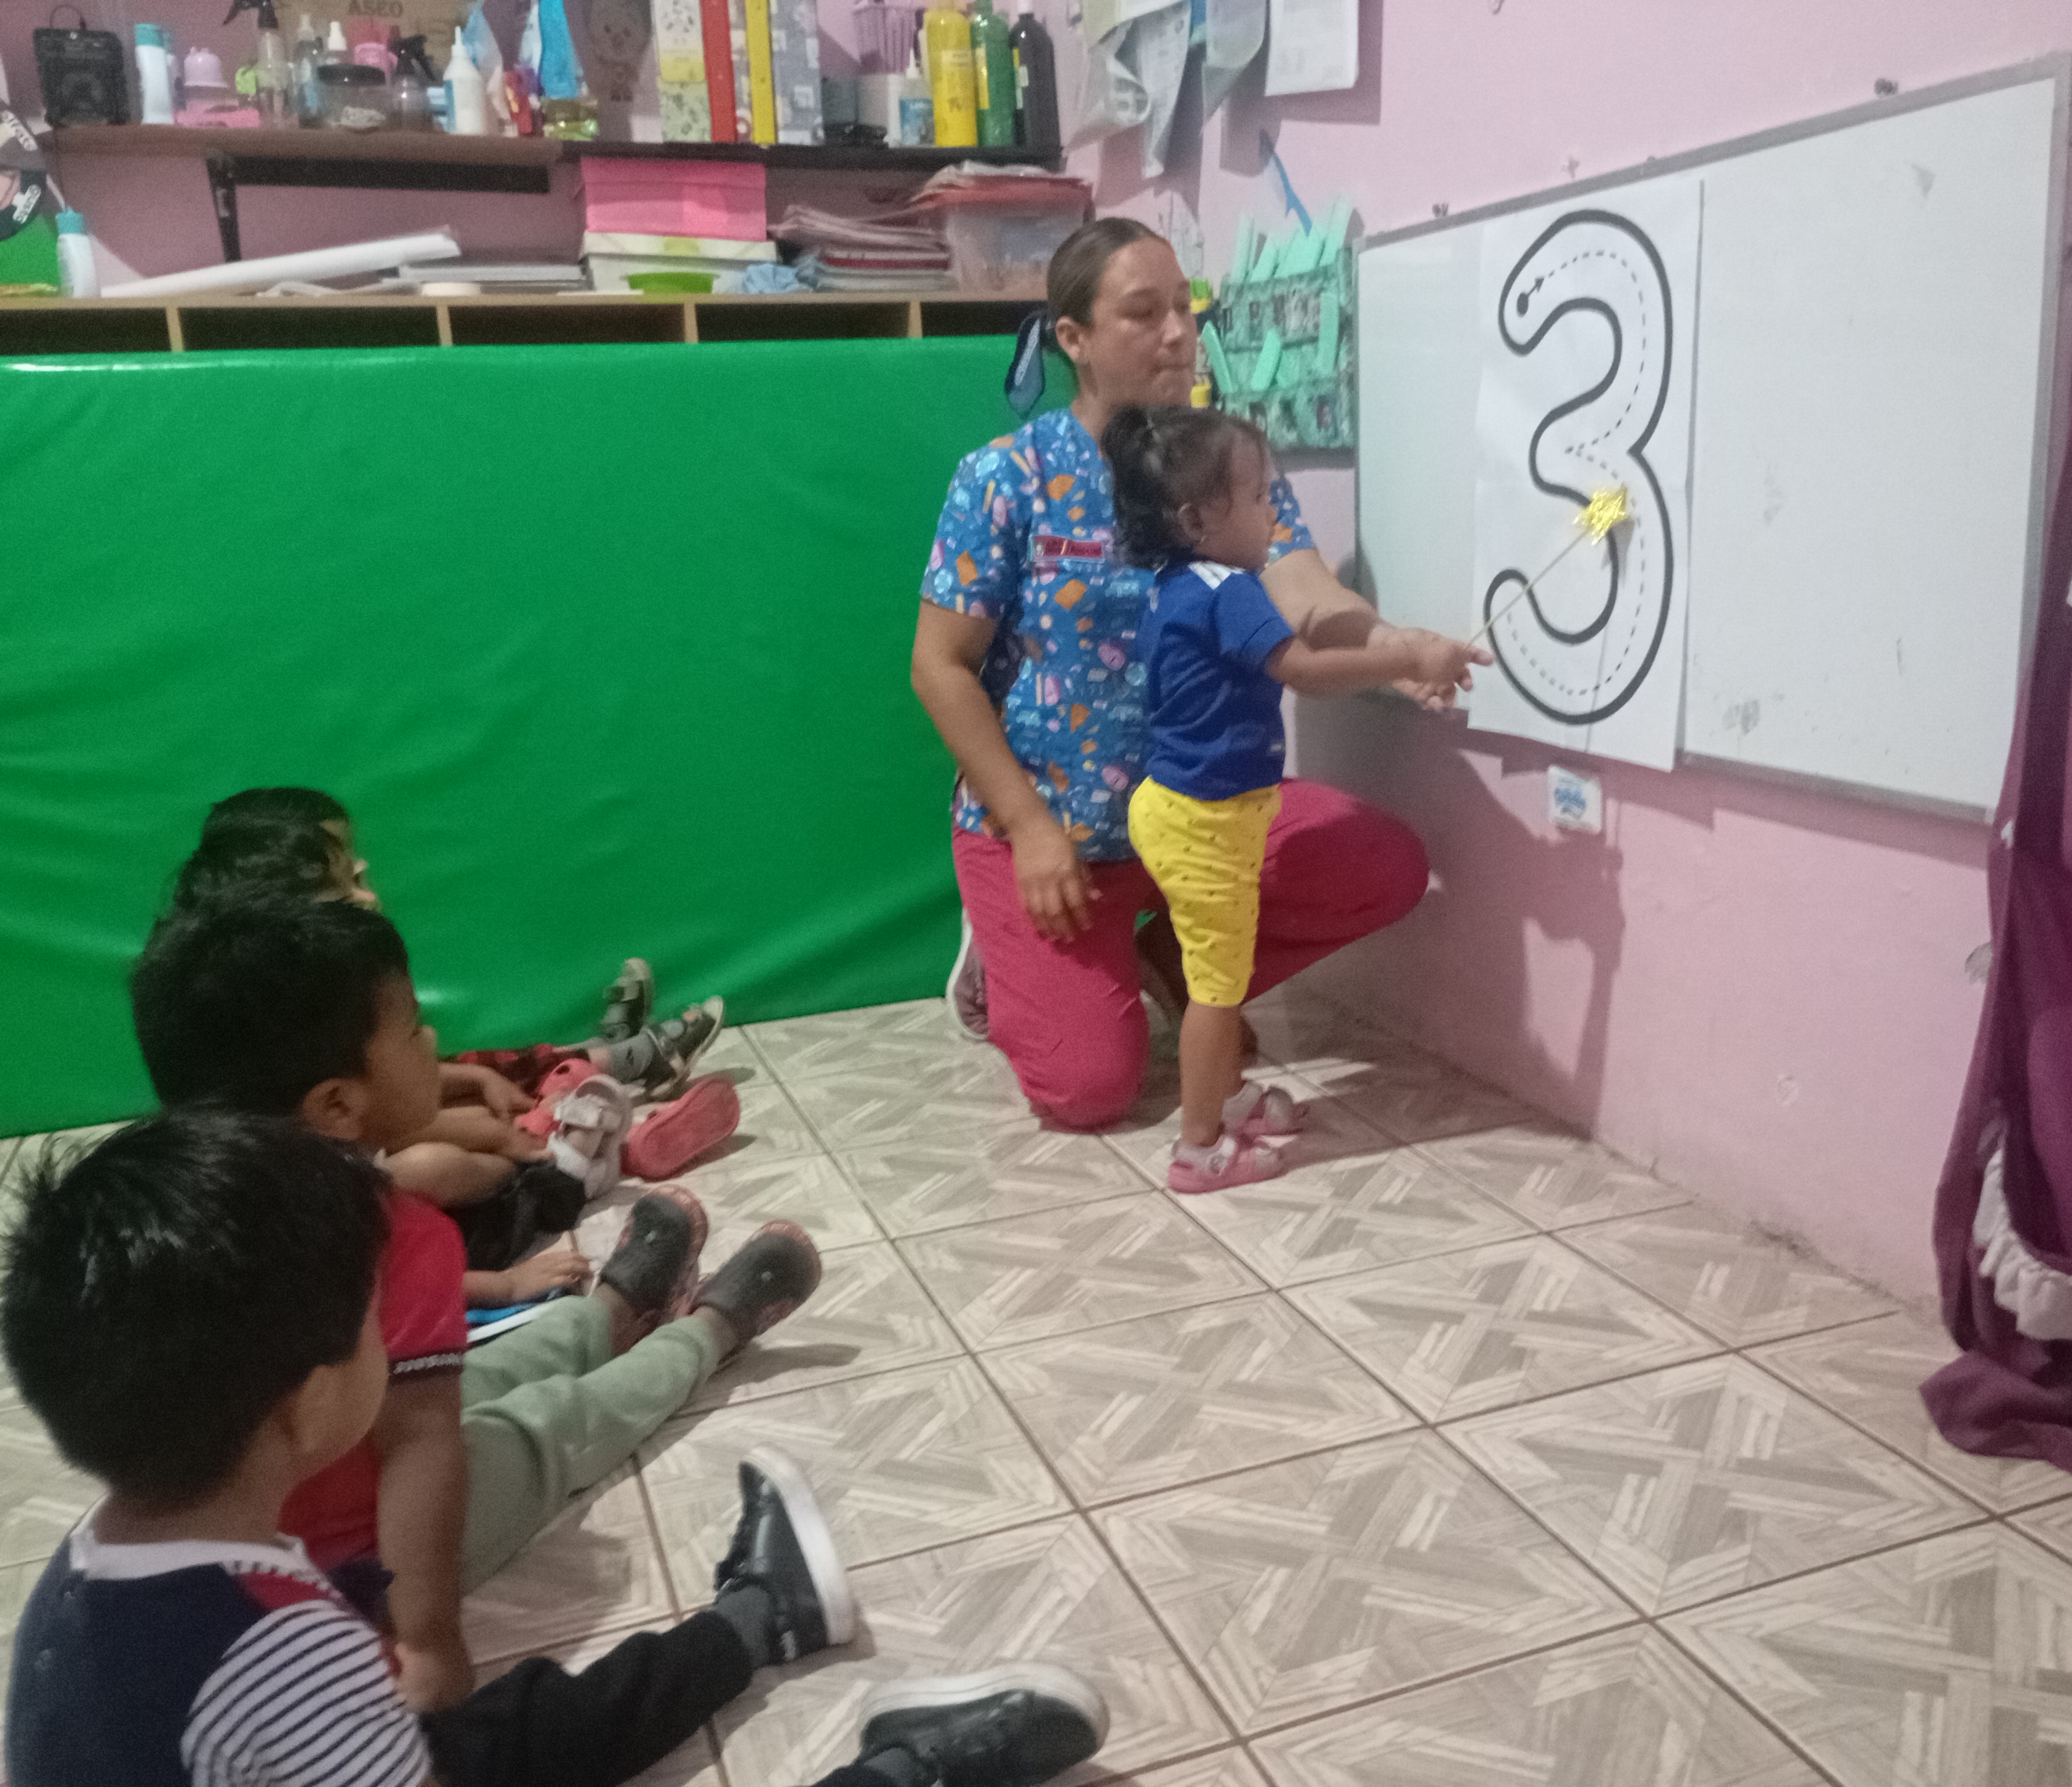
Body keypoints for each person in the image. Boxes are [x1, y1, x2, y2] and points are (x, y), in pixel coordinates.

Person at [0, 1108, 1111, 1787]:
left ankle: (758, 1618)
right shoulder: (285, 1645)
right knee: (487, 1743)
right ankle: (905, 1772)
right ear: (311, 1400)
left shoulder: (88, 1575)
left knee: (503, 1732)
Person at [129, 895, 823, 1712]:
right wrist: (425, 1638)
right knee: (549, 1425)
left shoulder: (172, 1222)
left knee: (481, 1373)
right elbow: (420, 1451)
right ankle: (711, 1329)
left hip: (285, 1513)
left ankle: (610, 1314)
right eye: (413, 1028)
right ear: (337, 1105)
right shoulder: (389, 1233)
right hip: (364, 1562)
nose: (432, 1043)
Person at [911, 218, 1487, 1130]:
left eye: (1186, 307)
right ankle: (1001, 950)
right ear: (1075, 338)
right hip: (1058, 831)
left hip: (1204, 812)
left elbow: (1304, 591)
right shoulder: (1006, 479)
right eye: (1145, 313)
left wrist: (1390, 645)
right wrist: (1029, 829)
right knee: (1087, 1090)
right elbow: (939, 666)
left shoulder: (1224, 465)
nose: (1179, 333)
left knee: (1381, 864)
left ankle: (1178, 964)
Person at [1105, 405, 1482, 1191]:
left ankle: (1228, 1098)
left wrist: (1399, 654)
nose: (1273, 514)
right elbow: (1304, 670)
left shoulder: (1178, 583)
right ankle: (1199, 1149)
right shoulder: (1231, 592)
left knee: (1217, 972)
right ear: (1196, 519)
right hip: (1205, 824)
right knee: (1216, 991)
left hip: (1182, 811)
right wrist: (1409, 657)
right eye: (1255, 497)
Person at [170, 788, 739, 1287]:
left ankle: (607, 1065)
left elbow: (391, 1106)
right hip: (421, 1212)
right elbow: (394, 1271)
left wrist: (474, 1086)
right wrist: (506, 1275)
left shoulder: (292, 1004)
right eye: (345, 889)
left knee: (473, 1083)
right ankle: (582, 1158)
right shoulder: (312, 1191)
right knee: (438, 1162)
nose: (368, 896)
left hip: (371, 1143)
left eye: (360, 876)